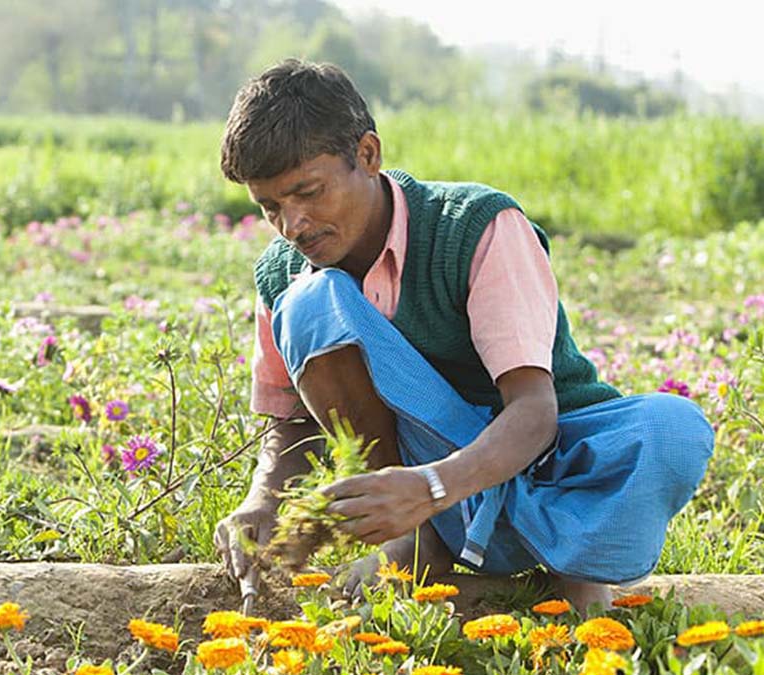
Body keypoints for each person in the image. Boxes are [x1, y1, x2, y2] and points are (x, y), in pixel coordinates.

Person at [211, 59, 714, 610]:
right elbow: (294, 421)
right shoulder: (283, 275)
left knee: (672, 429)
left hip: (539, 462)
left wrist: (431, 488)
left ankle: (574, 560)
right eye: (270, 208)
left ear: (368, 155)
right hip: (418, 483)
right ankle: (418, 539)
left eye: (308, 192)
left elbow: (533, 411)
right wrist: (263, 503)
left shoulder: (475, 225)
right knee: (309, 302)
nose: (293, 225)